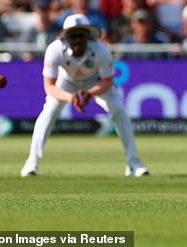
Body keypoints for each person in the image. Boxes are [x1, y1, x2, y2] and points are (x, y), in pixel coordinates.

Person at [20, 13, 149, 177]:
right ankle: (32, 161)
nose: (78, 40)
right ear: (66, 36)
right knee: (49, 111)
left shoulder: (101, 50)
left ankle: (134, 162)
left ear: (88, 36)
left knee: (118, 109)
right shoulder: (55, 49)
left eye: (81, 35)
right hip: (66, 82)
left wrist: (88, 93)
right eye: (73, 35)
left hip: (94, 82)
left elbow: (107, 81)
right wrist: (70, 97)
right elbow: (49, 87)